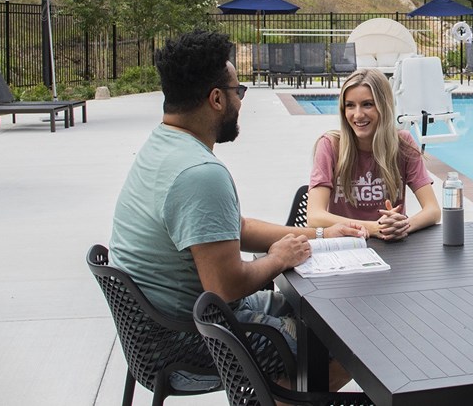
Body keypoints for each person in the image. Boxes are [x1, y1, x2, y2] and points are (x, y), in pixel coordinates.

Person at [109, 29, 364, 390]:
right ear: (216, 99)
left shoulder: (163, 146)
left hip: (158, 330)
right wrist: (277, 258)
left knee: (322, 316)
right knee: (347, 343)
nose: (241, 102)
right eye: (238, 91)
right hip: (188, 341)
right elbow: (226, 287)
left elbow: (233, 227)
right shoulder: (199, 174)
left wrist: (320, 234)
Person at [308, 68, 441, 241]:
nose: (358, 115)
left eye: (367, 104)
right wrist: (374, 228)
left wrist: (403, 226)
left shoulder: (402, 143)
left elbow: (433, 210)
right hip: (346, 245)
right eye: (350, 105)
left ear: (383, 106)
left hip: (393, 247)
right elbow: (314, 216)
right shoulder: (330, 145)